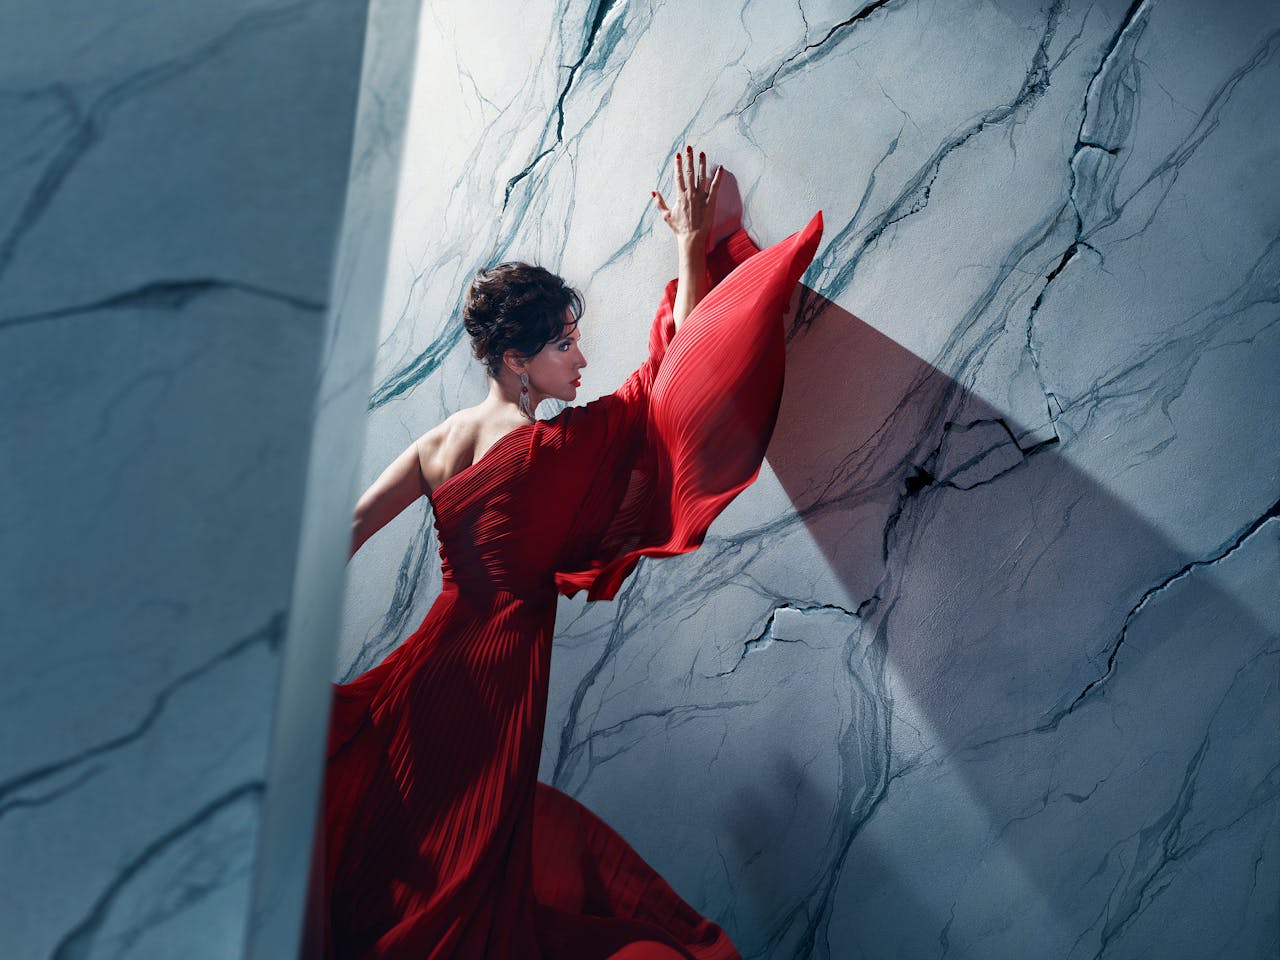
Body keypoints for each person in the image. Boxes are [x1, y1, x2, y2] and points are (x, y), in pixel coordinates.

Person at [313, 146, 823, 959]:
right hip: (487, 689)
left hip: (427, 673)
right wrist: (691, 249)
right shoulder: (554, 448)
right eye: (564, 347)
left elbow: (339, 535)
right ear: (517, 361)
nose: (581, 360)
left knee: (407, 862)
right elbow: (670, 375)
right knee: (461, 878)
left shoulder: (438, 443)